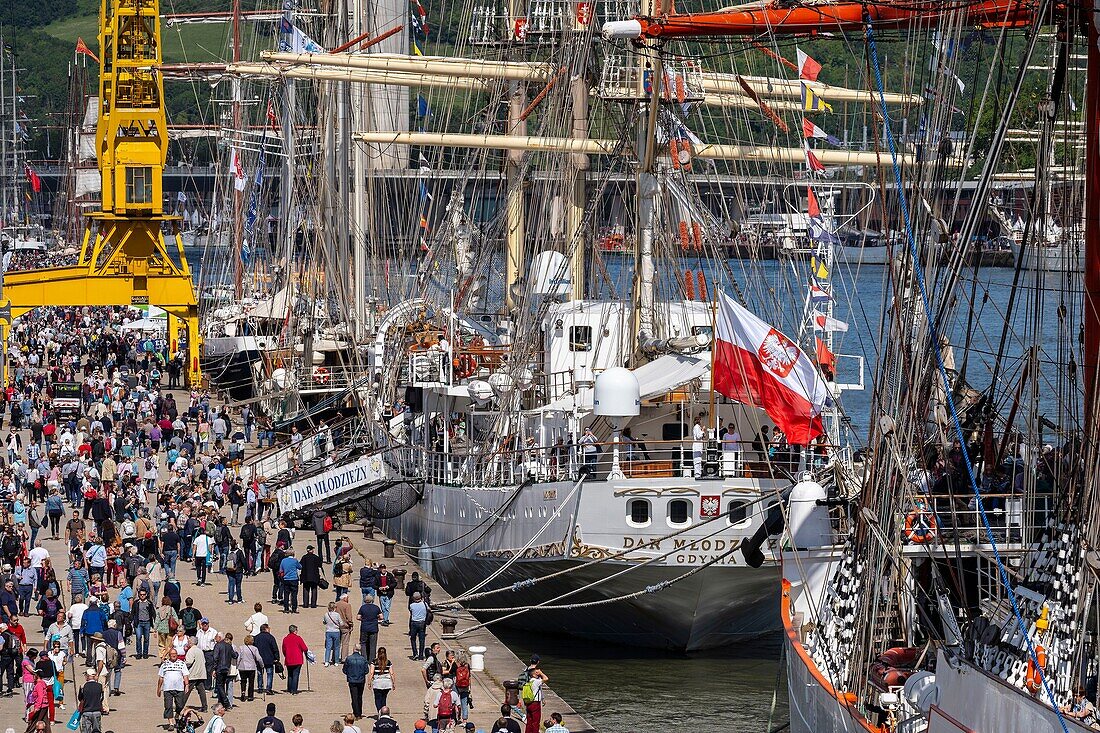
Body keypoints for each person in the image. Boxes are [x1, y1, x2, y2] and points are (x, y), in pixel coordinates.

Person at [157, 650, 190, 726]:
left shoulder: (181, 664)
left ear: (177, 654)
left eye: (175, 653)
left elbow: (185, 675)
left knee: (180, 705)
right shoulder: (164, 664)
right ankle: (171, 723)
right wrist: (158, 688)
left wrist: (187, 685)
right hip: (167, 688)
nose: (173, 655)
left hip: (179, 688)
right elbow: (161, 677)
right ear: (169, 655)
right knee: (168, 706)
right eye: (172, 654)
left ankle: (177, 716)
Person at [520, 657, 548, 733]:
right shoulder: (536, 681)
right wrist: (541, 673)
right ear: (534, 674)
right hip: (535, 703)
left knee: (529, 721)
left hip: (528, 703)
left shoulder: (529, 682)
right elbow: (546, 678)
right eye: (536, 672)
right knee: (536, 722)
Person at [253, 623, 280, 695]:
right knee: (269, 674)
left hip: (259, 659)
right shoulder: (270, 637)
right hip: (269, 659)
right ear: (266, 629)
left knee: (259, 674)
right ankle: (268, 688)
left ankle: (260, 688)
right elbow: (275, 648)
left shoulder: (256, 637)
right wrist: (277, 658)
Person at [182, 640, 209, 712]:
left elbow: (189, 662)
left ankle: (180, 705)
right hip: (201, 673)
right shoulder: (200, 651)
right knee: (201, 690)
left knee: (187, 690)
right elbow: (204, 661)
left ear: (191, 643)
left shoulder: (191, 651)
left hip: (193, 673)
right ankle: (204, 707)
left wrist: (183, 665)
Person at [280, 624, 308, 693]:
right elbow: (305, 648)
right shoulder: (298, 638)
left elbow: (283, 649)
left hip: (289, 659)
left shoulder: (285, 639)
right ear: (295, 631)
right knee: (296, 675)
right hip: (297, 659)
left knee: (290, 674)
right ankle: (294, 690)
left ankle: (289, 688)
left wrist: (286, 655)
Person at [367, 646, 395, 715]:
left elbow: (371, 673)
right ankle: (384, 712)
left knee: (377, 699)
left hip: (377, 683)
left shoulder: (374, 662)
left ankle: (380, 712)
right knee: (384, 698)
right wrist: (393, 683)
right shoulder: (388, 662)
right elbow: (392, 673)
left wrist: (369, 682)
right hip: (387, 683)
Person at [342, 647, 367, 720]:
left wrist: (349, 674)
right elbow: (366, 670)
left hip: (352, 680)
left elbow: (344, 670)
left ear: (353, 649)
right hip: (361, 680)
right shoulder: (363, 659)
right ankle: (359, 712)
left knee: (354, 697)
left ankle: (356, 713)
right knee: (359, 697)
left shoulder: (349, 658)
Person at [78, 668, 105, 733]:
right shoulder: (100, 686)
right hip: (97, 711)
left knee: (86, 731)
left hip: (87, 711)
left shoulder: (83, 686)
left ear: (88, 676)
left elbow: (80, 698)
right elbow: (102, 698)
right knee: (97, 731)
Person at [357, 593, 382, 662]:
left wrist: (363, 619)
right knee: (373, 644)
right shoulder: (376, 607)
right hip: (374, 628)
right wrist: (376, 618)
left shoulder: (362, 607)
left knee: (363, 643)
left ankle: (364, 658)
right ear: (372, 600)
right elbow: (381, 617)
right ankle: (372, 660)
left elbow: (358, 617)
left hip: (364, 627)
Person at [237, 634, 262, 702]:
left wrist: (237, 665)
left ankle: (243, 692)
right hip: (251, 668)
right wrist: (262, 665)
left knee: (243, 681)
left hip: (242, 667)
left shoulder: (241, 648)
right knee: (251, 682)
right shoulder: (254, 648)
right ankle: (250, 696)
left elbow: (239, 658)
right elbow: (259, 658)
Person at [299, 545, 324, 609]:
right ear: (311, 550)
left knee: (306, 590)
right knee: (314, 590)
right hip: (314, 577)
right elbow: (320, 565)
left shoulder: (304, 557)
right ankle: (313, 604)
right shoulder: (316, 557)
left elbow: (300, 565)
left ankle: (305, 604)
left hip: (305, 577)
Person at [278, 549, 302, 614]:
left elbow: (280, 570)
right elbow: (300, 567)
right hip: (294, 579)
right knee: (294, 595)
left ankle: (286, 608)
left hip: (286, 579)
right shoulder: (294, 561)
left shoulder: (283, 561)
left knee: (286, 594)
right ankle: (294, 608)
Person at [409, 592, 429, 660]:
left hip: (414, 623)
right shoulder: (424, 604)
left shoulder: (412, 605)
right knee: (422, 639)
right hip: (422, 623)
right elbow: (429, 610)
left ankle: (415, 653)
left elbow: (411, 612)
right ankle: (421, 655)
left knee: (413, 638)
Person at [453, 652, 472, 723]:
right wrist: (470, 688)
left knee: (455, 701)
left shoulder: (455, 665)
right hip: (465, 686)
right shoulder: (467, 666)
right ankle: (465, 720)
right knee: (464, 703)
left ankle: (456, 717)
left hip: (456, 685)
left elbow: (450, 672)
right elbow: (469, 677)